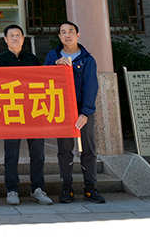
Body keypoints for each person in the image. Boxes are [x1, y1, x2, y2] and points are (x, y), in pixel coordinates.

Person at [0, 24, 53, 206]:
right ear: (5, 39)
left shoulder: (32, 59)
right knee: (11, 154)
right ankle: (12, 189)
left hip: (33, 111)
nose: (15, 38)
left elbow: (40, 83)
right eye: (11, 35)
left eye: (18, 35)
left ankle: (37, 189)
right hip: (11, 112)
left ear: (23, 38)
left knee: (38, 153)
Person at [45, 21, 105, 204]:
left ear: (78, 35)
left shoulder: (87, 59)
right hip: (62, 109)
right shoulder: (53, 55)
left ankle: (90, 188)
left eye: (71, 31)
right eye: (63, 32)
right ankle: (67, 188)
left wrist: (85, 113)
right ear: (59, 36)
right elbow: (43, 78)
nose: (67, 35)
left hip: (82, 109)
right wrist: (54, 65)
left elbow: (91, 87)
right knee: (64, 150)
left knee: (88, 149)